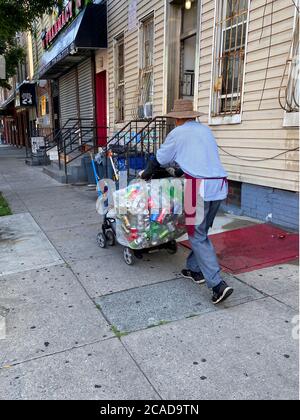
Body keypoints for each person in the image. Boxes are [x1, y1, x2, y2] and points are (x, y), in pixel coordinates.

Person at [141, 99, 234, 304]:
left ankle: (218, 285)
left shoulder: (178, 133)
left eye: (175, 120)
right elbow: (200, 159)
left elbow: (160, 159)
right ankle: (194, 270)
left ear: (179, 119)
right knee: (201, 232)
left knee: (196, 234)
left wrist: (146, 173)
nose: (174, 123)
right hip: (219, 186)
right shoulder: (205, 131)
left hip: (196, 187)